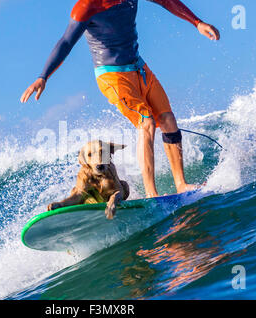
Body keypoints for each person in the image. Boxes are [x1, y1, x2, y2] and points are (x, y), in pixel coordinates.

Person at [21, 0, 220, 197]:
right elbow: (66, 42)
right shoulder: (86, 6)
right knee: (147, 123)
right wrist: (43, 76)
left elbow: (166, 1)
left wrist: (197, 22)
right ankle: (152, 194)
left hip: (139, 68)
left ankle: (181, 184)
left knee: (168, 120)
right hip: (111, 75)